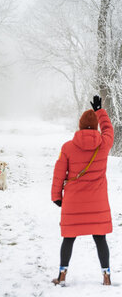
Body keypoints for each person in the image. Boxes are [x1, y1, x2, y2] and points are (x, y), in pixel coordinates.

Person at [51, 95, 114, 286]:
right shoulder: (103, 145)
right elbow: (109, 129)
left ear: (79, 126)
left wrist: (56, 197)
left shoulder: (68, 147)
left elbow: (59, 173)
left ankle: (62, 275)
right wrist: (100, 111)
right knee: (100, 238)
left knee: (68, 238)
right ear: (95, 126)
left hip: (73, 203)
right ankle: (106, 276)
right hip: (98, 202)